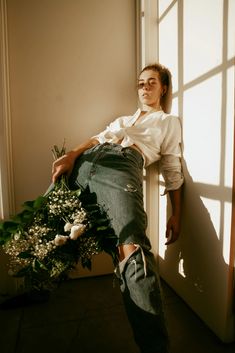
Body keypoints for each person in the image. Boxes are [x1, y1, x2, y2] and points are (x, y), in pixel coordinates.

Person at [52, 63, 184, 353]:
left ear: (163, 88)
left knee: (132, 249)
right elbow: (98, 138)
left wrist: (177, 214)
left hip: (122, 166)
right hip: (87, 163)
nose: (145, 87)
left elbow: (173, 168)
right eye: (140, 83)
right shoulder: (123, 119)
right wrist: (72, 155)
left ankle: (154, 347)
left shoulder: (168, 122)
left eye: (151, 82)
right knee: (47, 220)